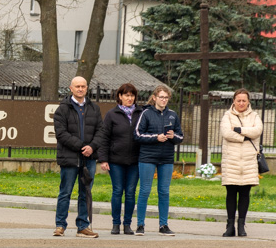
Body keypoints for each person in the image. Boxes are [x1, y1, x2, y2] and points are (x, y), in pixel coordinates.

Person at [52, 76, 102, 238]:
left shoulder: (94, 109)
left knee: (85, 192)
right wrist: (82, 147)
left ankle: (83, 226)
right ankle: (60, 225)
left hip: (90, 158)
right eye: (77, 86)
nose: (80, 89)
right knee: (65, 192)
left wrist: (91, 147)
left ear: (87, 88)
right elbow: (61, 134)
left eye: (83, 86)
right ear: (71, 88)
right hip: (69, 158)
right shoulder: (63, 109)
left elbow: (101, 132)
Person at [135, 84, 183, 236]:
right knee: (145, 190)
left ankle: (164, 225)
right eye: (161, 97)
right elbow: (137, 134)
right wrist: (156, 137)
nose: (164, 100)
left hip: (166, 158)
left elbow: (180, 137)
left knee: (164, 191)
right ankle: (140, 225)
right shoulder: (146, 113)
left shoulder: (173, 115)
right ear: (154, 98)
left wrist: (172, 136)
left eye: (166, 98)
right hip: (147, 157)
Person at [97, 83, 143, 235]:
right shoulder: (112, 114)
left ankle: (127, 224)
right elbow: (104, 137)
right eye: (126, 95)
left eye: (132, 95)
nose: (129, 98)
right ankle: (115, 223)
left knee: (130, 192)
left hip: (135, 161)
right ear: (120, 97)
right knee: (117, 191)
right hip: (116, 160)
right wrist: (103, 159)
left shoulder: (141, 113)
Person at [219, 88, 263, 237]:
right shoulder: (227, 115)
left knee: (245, 193)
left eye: (244, 100)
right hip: (231, 160)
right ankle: (230, 226)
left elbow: (257, 130)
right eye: (239, 100)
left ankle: (241, 225)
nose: (241, 103)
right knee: (231, 193)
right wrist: (244, 136)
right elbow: (226, 133)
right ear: (234, 101)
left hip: (249, 161)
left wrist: (238, 129)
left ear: (248, 101)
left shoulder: (255, 116)